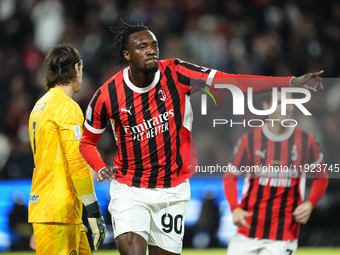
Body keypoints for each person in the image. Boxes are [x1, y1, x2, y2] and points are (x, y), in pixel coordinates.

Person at [79, 20, 324, 255]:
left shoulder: (177, 72)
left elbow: (234, 81)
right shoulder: (107, 95)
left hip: (172, 190)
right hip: (129, 188)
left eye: (154, 46)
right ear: (127, 55)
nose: (151, 51)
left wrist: (289, 82)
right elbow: (87, 141)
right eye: (142, 47)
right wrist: (99, 167)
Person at [223, 90, 328, 255]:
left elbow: (321, 178)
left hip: (284, 233)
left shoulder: (307, 141)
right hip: (247, 230)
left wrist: (310, 203)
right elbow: (230, 178)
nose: (285, 108)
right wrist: (235, 208)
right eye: (279, 102)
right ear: (265, 106)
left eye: (289, 103)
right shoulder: (249, 141)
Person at [28, 45, 106, 255]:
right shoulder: (67, 108)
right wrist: (95, 212)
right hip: (59, 212)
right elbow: (78, 163)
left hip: (51, 209)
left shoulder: (39, 106)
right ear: (77, 68)